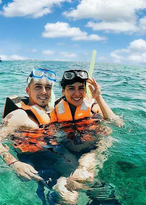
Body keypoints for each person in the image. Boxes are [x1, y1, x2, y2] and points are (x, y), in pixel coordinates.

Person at [49, 69, 122, 204]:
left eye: (81, 88)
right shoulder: (56, 110)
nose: (77, 93)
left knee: (84, 173)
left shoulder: (93, 106)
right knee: (66, 196)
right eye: (71, 88)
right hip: (68, 152)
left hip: (93, 150)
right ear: (63, 91)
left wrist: (98, 97)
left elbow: (118, 124)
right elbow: (51, 138)